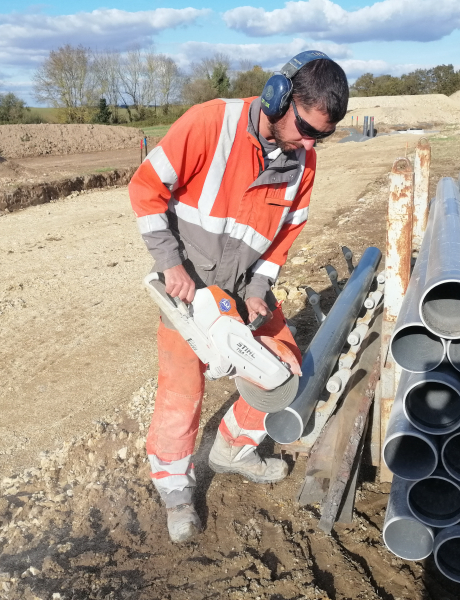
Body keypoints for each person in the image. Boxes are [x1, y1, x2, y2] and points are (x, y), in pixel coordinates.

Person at [128, 51, 349, 543]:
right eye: (305, 128)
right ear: (279, 96)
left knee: (284, 369)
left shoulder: (302, 162)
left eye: (321, 135)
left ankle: (232, 447)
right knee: (183, 390)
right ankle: (174, 489)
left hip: (244, 288)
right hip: (189, 286)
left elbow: (288, 231)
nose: (309, 143)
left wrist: (256, 291)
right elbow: (145, 188)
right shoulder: (211, 123)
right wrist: (169, 263)